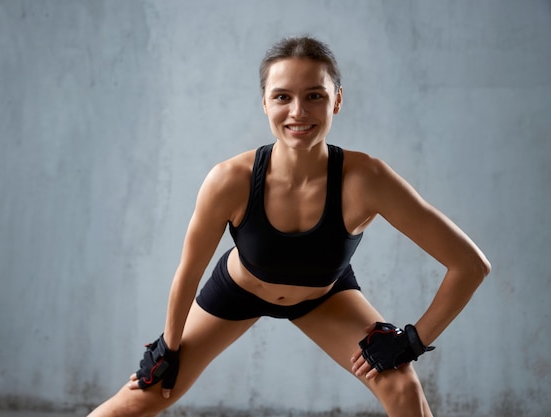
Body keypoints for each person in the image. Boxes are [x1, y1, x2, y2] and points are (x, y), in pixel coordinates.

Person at [87, 36, 491, 417]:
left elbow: (470, 266)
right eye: (283, 97)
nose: (298, 112)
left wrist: (411, 342)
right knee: (145, 398)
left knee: (402, 388)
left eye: (314, 96)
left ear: (337, 101)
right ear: (264, 103)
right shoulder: (230, 179)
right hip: (239, 291)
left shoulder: (366, 179)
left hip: (324, 296)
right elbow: (188, 273)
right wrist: (166, 348)